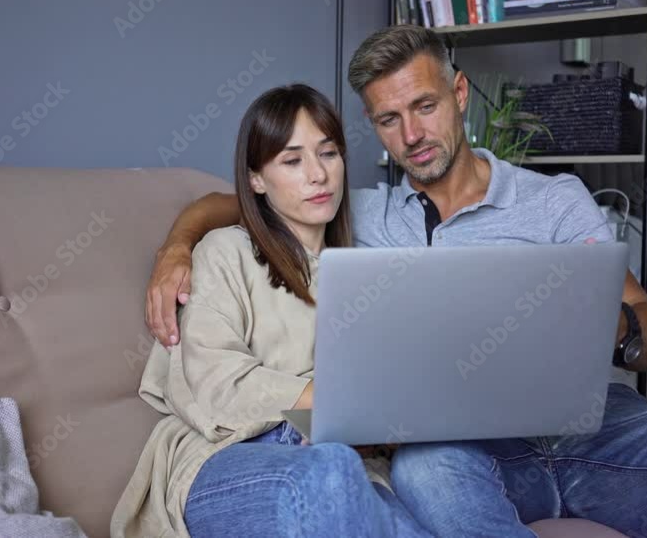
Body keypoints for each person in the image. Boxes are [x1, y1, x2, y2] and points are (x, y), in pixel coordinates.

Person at [142, 25, 647, 536]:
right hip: (470, 449)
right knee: (426, 469)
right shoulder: (354, 213)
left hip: (597, 425)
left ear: (460, 94)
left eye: (424, 106)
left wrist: (618, 327)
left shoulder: (554, 201)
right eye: (388, 120)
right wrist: (177, 245)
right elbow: (251, 203)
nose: (411, 136)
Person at [112, 84, 433, 538]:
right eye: (292, 160)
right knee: (332, 471)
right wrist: (329, 402)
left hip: (344, 465)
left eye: (328, 154)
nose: (318, 175)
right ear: (257, 179)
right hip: (226, 459)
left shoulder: (364, 271)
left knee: (392, 491)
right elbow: (216, 384)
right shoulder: (224, 252)